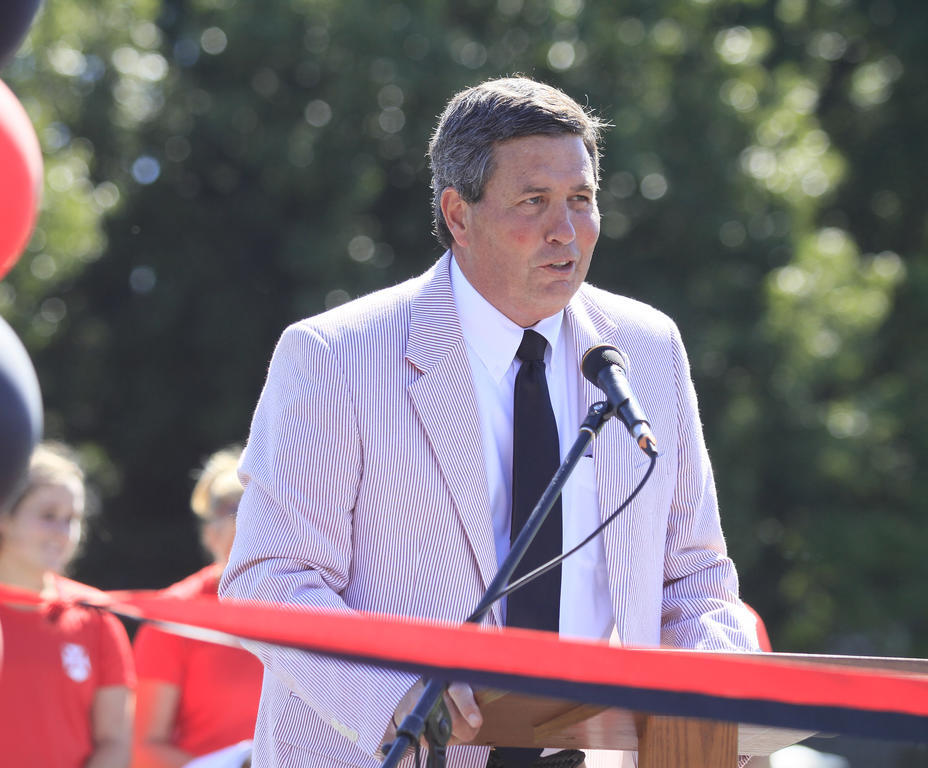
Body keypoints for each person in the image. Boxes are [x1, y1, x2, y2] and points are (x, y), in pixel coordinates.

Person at [219, 76, 760, 768]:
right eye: (534, 202)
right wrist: (396, 694)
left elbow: (693, 579)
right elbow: (269, 577)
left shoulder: (646, 351)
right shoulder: (334, 357)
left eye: (582, 200)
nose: (567, 231)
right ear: (458, 215)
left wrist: (731, 703)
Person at [0, 442, 135, 768]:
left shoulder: (97, 619)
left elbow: (115, 741)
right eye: (48, 516)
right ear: (1, 516)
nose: (63, 533)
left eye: (72, 519)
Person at [132, 447, 264, 768]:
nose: (253, 548)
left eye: (263, 531)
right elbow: (143, 750)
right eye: (240, 536)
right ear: (210, 535)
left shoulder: (309, 605)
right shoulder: (173, 615)